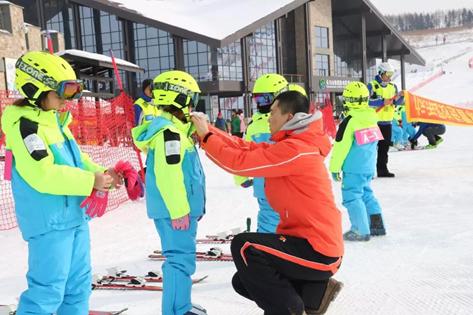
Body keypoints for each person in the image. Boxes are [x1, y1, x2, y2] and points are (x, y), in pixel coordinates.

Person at [191, 91, 344, 315]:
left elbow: (239, 163)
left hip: (318, 250)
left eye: (273, 112)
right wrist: (209, 132)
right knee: (244, 280)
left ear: (289, 116)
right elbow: (246, 148)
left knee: (245, 247)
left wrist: (206, 137)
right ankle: (314, 294)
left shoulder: (297, 150)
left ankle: (292, 309)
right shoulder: (292, 145)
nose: (268, 117)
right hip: (304, 242)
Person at [1, 51, 122, 314]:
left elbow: (78, 160)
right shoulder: (26, 128)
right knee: (47, 292)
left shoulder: (55, 122)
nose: (68, 101)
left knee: (77, 288)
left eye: (74, 92)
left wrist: (104, 173)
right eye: (62, 93)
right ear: (35, 89)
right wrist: (91, 181)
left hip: (74, 217)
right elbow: (43, 174)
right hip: (50, 223)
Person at [132, 70, 207, 315]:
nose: (194, 104)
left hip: (178, 208)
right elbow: (168, 176)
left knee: (182, 259)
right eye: (192, 99)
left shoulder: (175, 129)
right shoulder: (169, 134)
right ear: (179, 99)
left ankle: (181, 305)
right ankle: (177, 309)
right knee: (179, 261)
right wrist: (179, 211)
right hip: (174, 210)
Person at [329, 82, 385, 241]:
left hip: (353, 168)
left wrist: (334, 167)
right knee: (367, 195)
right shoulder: (372, 117)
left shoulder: (350, 121)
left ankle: (360, 230)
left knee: (352, 196)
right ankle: (377, 226)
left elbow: (341, 147)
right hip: (368, 166)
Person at [233, 73, 289, 233]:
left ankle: (267, 248)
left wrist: (241, 177)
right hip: (288, 183)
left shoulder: (254, 127)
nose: (261, 104)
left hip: (265, 184)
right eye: (258, 99)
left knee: (269, 218)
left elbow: (240, 153)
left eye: (265, 99)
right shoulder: (291, 121)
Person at [368, 62, 404, 177]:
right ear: (380, 72)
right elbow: (366, 102)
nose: (389, 76)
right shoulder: (371, 85)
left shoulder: (392, 87)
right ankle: (368, 171)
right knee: (371, 149)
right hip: (373, 122)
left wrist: (401, 96)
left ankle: (382, 170)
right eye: (387, 74)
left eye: (391, 74)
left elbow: (396, 103)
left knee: (384, 148)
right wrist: (381, 101)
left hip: (387, 122)